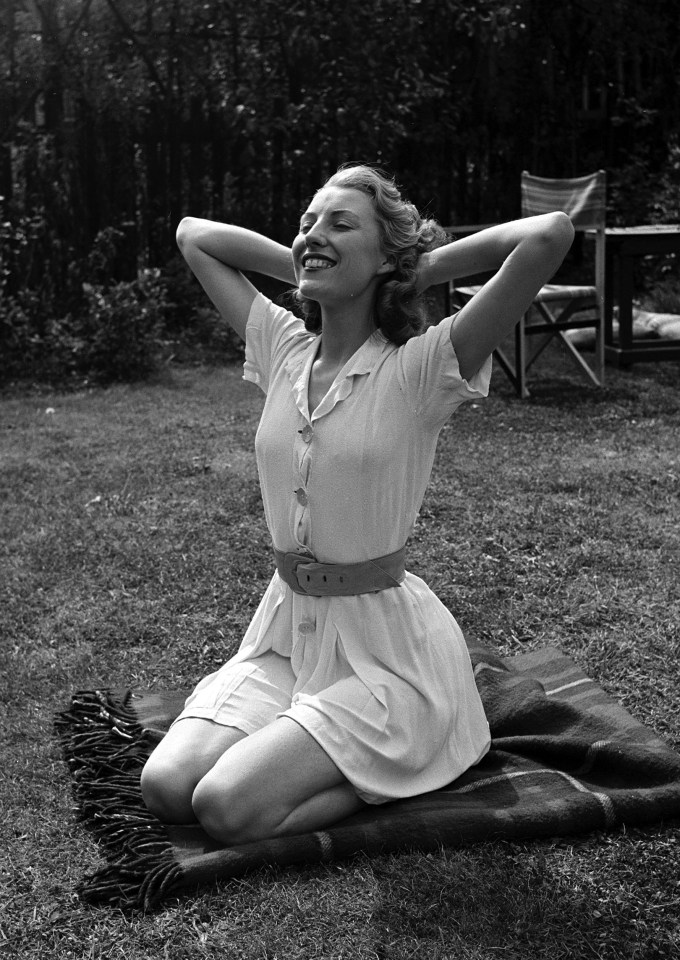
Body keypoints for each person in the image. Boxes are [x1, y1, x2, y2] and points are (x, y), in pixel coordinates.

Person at [140, 163, 574, 845]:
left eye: (342, 224)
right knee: (167, 789)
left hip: (387, 657)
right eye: (308, 222)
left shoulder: (424, 367)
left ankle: (417, 757)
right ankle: (329, 756)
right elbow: (195, 236)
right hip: (289, 634)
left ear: (386, 259)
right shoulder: (283, 347)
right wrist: (314, 252)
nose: (314, 233)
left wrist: (415, 268)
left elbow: (550, 234)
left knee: (226, 808)